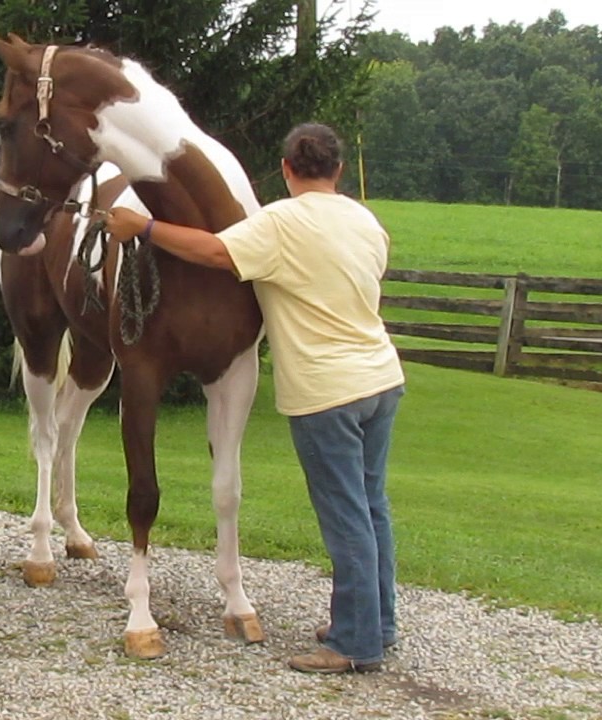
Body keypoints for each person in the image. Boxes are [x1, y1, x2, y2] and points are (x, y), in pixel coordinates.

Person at [103, 123, 406, 673]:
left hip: (326, 391)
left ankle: (354, 643)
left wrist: (143, 225)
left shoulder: (280, 222)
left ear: (287, 169)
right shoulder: (366, 221)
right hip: (382, 380)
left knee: (346, 517)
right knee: (372, 506)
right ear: (337, 170)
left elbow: (216, 251)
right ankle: (376, 623)